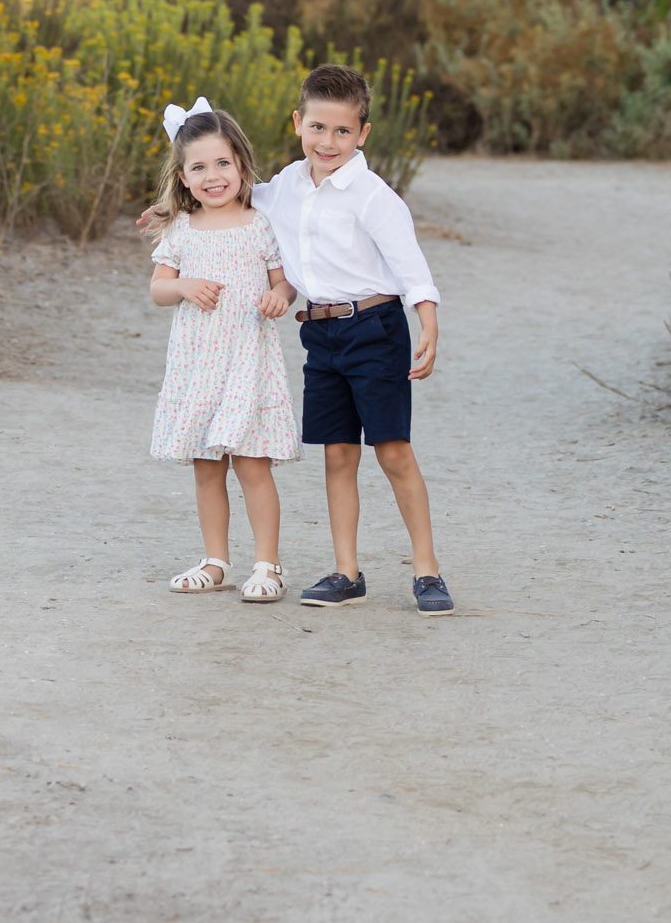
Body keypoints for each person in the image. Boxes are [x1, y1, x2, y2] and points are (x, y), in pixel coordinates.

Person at [143, 65, 453, 615]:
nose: (327, 142)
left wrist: (427, 322)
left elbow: (410, 266)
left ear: (363, 134)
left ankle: (426, 571)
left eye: (341, 131)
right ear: (298, 124)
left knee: (393, 451)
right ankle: (345, 571)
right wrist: (173, 206)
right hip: (321, 333)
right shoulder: (284, 187)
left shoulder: (374, 196)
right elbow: (232, 192)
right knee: (337, 454)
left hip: (376, 328)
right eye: (317, 128)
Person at [146, 97, 301, 603]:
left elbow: (284, 283)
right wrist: (184, 285)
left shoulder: (260, 223)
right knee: (206, 466)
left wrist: (278, 298)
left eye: (222, 163)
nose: (213, 176)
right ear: (183, 177)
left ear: (241, 164)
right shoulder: (180, 229)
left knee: (252, 464)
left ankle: (267, 565)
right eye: (199, 167)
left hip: (247, 362)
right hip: (197, 364)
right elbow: (158, 289)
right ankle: (216, 561)